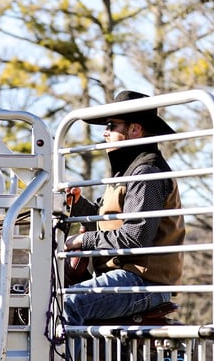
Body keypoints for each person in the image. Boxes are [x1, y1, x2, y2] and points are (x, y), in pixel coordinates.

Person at [62, 90, 185, 326]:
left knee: (67, 304)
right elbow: (108, 223)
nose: (105, 133)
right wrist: (77, 206)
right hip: (128, 277)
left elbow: (134, 237)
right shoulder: (130, 171)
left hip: (143, 282)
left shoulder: (147, 172)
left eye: (111, 125)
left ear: (135, 130)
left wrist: (81, 241)